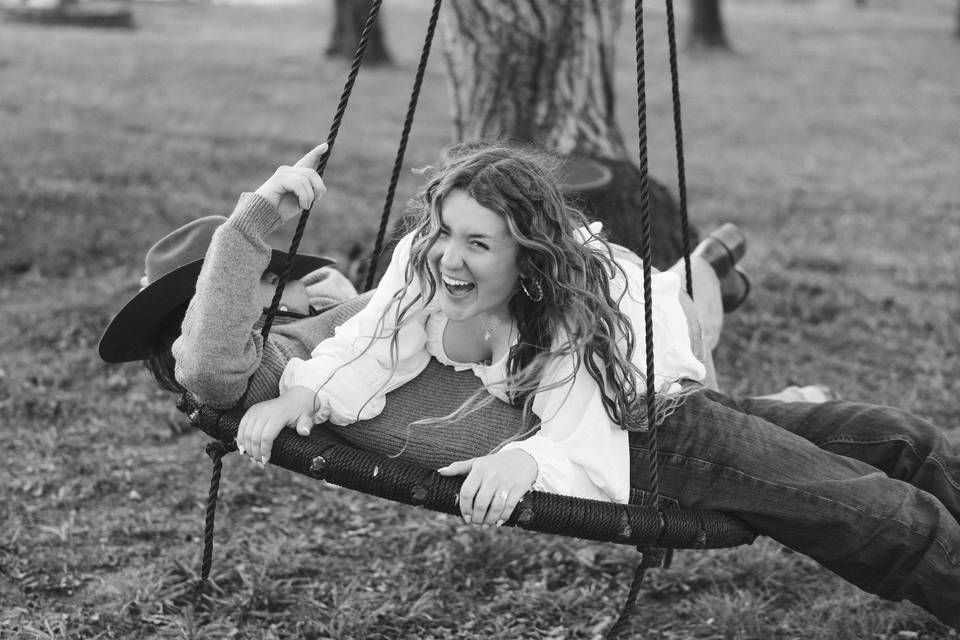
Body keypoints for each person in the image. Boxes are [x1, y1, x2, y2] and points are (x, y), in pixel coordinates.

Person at [234, 142, 959, 628]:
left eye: (478, 243)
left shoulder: (572, 299)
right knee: (883, 515)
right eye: (445, 231)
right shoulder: (424, 266)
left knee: (900, 442)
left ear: (529, 255)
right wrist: (305, 394)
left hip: (656, 421)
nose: (450, 257)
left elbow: (585, 409)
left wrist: (527, 461)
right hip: (653, 442)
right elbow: (374, 338)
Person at [98, 142, 785, 468]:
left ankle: (714, 280)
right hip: (583, 415)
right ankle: (713, 270)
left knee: (668, 303)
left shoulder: (304, 338)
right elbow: (212, 359)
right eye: (245, 283)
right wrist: (249, 231)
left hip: (575, 363)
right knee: (680, 301)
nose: (270, 287)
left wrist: (341, 299)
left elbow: (406, 316)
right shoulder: (252, 372)